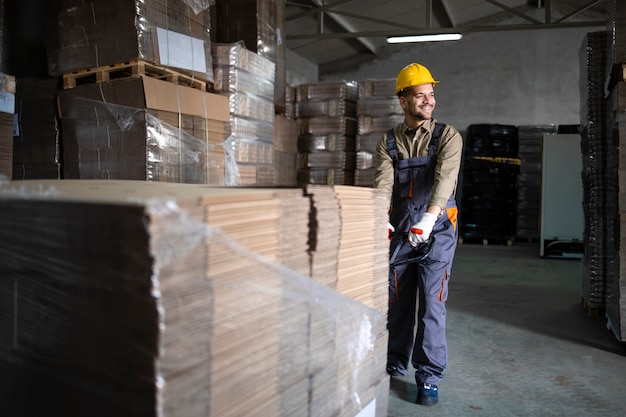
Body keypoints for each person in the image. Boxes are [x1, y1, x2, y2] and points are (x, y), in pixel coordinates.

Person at [374, 63, 463, 406]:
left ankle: (428, 375)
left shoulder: (447, 136)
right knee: (397, 299)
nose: (428, 101)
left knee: (431, 301)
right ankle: (393, 362)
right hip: (400, 229)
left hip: (437, 228)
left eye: (432, 95)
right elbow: (384, 183)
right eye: (420, 95)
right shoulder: (388, 141)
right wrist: (381, 217)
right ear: (403, 100)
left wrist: (428, 219)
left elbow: (445, 178)